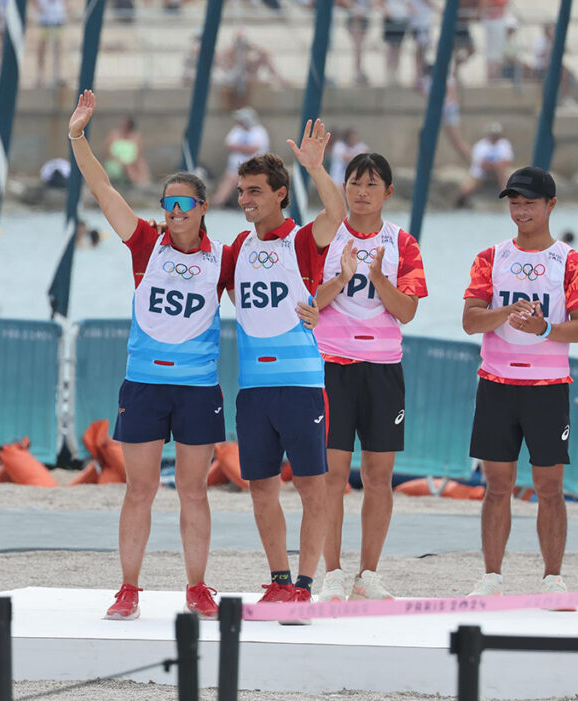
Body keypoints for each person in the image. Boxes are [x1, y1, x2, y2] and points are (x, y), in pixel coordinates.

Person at [69, 90, 227, 621]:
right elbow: (103, 188)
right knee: (138, 490)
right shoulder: (145, 243)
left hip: (199, 384)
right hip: (144, 382)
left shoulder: (222, 259)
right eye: (169, 203)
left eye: (186, 203)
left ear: (202, 208)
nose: (176, 211)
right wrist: (78, 138)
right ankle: (128, 589)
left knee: (193, 491)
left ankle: (197, 587)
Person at [221, 120, 346, 617]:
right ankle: (277, 580)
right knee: (262, 487)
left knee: (312, 485)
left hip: (300, 384)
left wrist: (315, 168)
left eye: (255, 191)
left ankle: (305, 584)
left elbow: (336, 214)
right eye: (242, 189)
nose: (245, 197)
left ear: (279, 195)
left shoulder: (300, 241)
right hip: (253, 386)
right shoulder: (238, 247)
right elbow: (225, 292)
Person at [463, 166, 578, 598]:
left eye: (529, 203)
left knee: (549, 488)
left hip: (548, 386)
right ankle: (491, 578)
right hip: (497, 384)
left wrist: (542, 329)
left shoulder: (573, 262)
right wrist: (505, 313)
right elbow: (469, 321)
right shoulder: (490, 258)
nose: (520, 210)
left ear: (550, 205)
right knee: (496, 486)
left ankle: (552, 578)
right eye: (514, 202)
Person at [311, 152, 428, 601]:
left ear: (388, 193)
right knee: (331, 476)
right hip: (333, 366)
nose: (361, 193)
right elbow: (311, 302)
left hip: (382, 369)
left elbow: (407, 311)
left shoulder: (403, 242)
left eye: (371, 185)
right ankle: (334, 572)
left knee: (379, 476)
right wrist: (341, 278)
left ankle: (369, 574)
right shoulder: (327, 235)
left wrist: (378, 278)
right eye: (354, 183)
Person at [211, 107, 270, 208]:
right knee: (231, 178)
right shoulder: (237, 130)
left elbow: (253, 148)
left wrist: (238, 147)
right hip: (235, 167)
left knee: (241, 179)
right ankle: (217, 202)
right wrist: (243, 148)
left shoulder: (259, 131)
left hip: (254, 168)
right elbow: (229, 144)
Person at [456, 122, 514, 207]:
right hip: (481, 173)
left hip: (499, 171)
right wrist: (496, 165)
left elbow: (508, 161)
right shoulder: (481, 146)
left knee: (503, 172)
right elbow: (482, 165)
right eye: (493, 135)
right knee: (467, 188)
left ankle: (508, 196)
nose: (494, 137)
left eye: (496, 135)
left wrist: (497, 166)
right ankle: (460, 203)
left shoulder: (504, 144)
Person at [104, 116, 151, 187]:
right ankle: (136, 182)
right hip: (116, 162)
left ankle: (144, 183)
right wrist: (121, 161)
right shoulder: (114, 135)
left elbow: (139, 154)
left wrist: (134, 162)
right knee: (127, 166)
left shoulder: (136, 137)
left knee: (141, 164)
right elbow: (107, 152)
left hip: (133, 163)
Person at [33, 0, 66, 87]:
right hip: (44, 20)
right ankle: (40, 76)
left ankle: (56, 75)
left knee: (57, 50)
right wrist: (38, 7)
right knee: (42, 50)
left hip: (57, 18)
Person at [338, 0, 371, 85]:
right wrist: (355, 9)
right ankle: (357, 72)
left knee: (360, 48)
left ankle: (359, 72)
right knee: (358, 47)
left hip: (363, 18)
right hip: (354, 19)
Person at [381, 0, 411, 86]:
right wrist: (387, 11)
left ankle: (396, 73)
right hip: (391, 20)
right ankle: (388, 74)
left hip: (402, 20)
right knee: (390, 48)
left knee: (398, 48)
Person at [480, 0, 508, 83]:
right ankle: (491, 76)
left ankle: (496, 76)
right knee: (492, 51)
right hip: (492, 21)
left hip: (498, 20)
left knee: (497, 50)